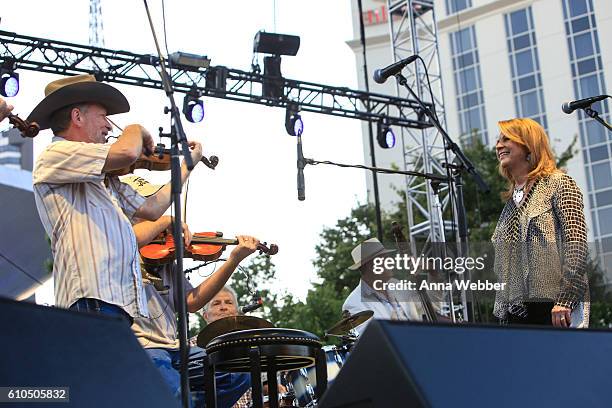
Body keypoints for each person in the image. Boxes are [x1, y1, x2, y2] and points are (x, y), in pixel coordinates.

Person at [30, 74, 203, 322]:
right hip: (92, 297)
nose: (110, 126)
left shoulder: (103, 177)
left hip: (115, 300)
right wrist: (136, 129)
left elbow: (152, 208)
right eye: (103, 117)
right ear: (77, 117)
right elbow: (127, 151)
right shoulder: (56, 152)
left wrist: (187, 165)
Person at [125, 177, 255, 408]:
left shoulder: (166, 259)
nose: (155, 214)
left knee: (238, 371)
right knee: (175, 391)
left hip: (173, 348)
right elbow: (130, 237)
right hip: (141, 347)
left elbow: (192, 302)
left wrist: (233, 259)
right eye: (148, 209)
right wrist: (167, 221)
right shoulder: (119, 245)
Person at [492, 118, 589, 327]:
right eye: (498, 140)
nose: (498, 145)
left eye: (506, 138)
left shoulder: (558, 183)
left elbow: (577, 245)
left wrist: (566, 300)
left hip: (555, 309)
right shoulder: (509, 204)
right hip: (517, 315)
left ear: (528, 144)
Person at [342, 238, 423, 334]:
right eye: (385, 259)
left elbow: (429, 308)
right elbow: (370, 342)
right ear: (371, 266)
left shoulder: (396, 284)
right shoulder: (352, 304)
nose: (391, 262)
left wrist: (432, 274)